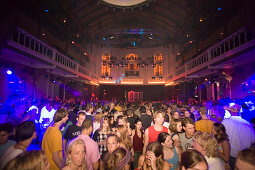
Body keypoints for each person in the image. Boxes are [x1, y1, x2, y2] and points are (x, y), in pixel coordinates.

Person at [222, 104, 255, 170]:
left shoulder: (226, 122)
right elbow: (253, 141)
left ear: (230, 111)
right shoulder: (248, 124)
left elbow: (221, 138)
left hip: (232, 155)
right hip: (245, 156)